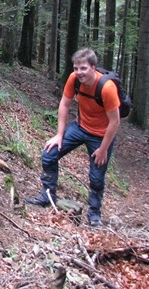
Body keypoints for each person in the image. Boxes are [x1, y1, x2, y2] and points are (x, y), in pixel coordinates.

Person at [26, 48, 120, 227]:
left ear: (93, 67)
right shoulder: (73, 79)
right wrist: (59, 135)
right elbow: (64, 103)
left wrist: (103, 149)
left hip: (101, 135)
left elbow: (114, 122)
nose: (79, 72)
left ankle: (94, 214)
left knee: (97, 176)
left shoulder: (107, 88)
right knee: (49, 154)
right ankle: (47, 196)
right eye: (76, 68)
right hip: (80, 126)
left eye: (83, 68)